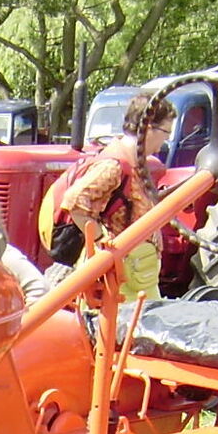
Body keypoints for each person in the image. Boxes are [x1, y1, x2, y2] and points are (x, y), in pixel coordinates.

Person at [50, 92, 176, 298]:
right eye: (165, 132)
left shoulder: (137, 162)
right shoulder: (114, 164)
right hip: (121, 279)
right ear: (148, 128)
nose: (166, 140)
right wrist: (106, 243)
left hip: (138, 275)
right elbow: (75, 202)